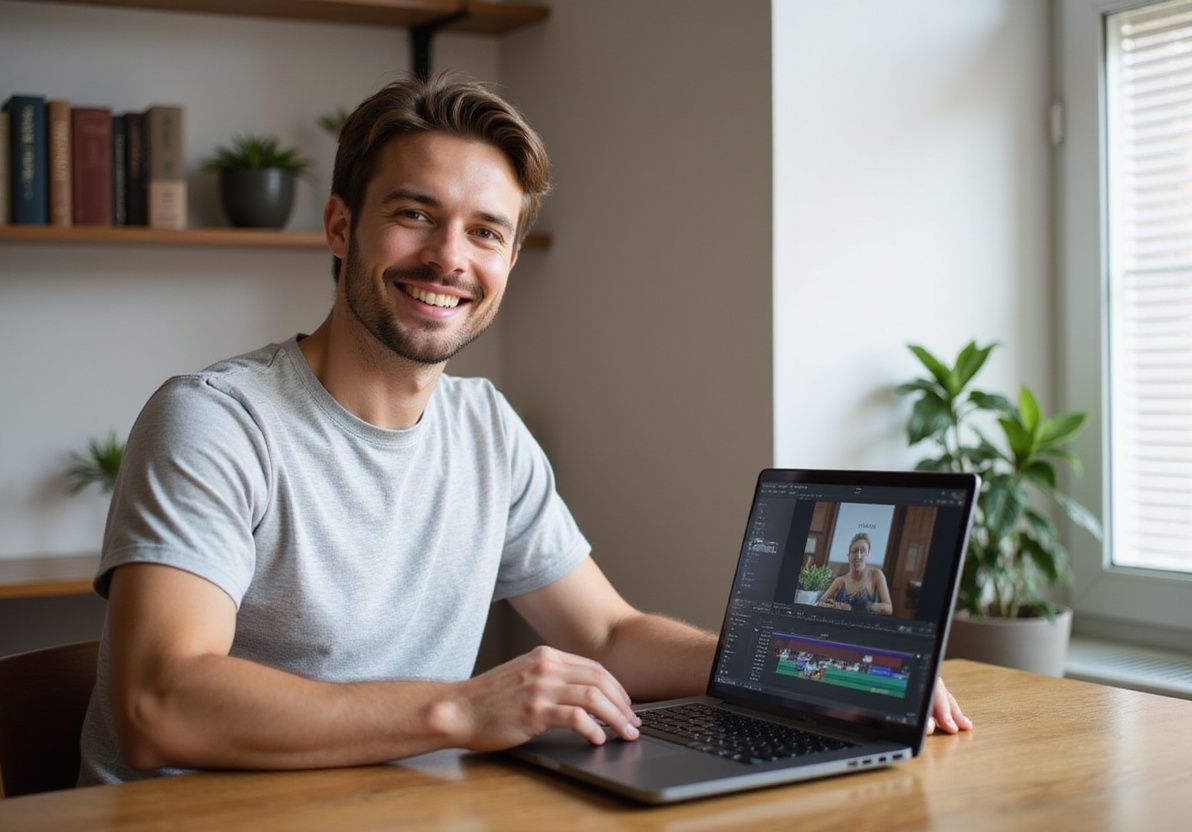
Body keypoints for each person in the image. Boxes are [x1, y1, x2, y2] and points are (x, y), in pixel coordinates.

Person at [77, 75, 971, 785]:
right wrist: (462, 710)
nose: (449, 259)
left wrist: (812, 663)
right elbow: (162, 706)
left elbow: (608, 635)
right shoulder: (215, 421)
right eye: (415, 213)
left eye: (486, 232)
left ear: (508, 260)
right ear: (342, 226)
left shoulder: (486, 429)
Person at [818, 533, 894, 615]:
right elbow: (820, 602)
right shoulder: (839, 581)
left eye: (863, 551)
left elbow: (889, 608)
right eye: (854, 551)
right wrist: (833, 606)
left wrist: (855, 607)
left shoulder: (876, 575)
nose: (858, 555)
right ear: (849, 556)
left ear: (867, 555)